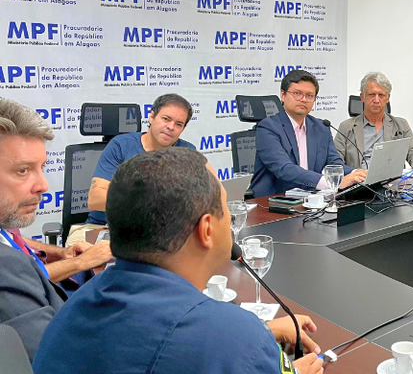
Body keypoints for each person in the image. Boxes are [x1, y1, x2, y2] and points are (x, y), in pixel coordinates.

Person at [34, 148, 323, 374]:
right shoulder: (234, 339)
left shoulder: (74, 306)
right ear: (206, 229)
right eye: (225, 208)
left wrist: (260, 335)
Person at [0, 99, 111, 360]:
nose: (43, 185)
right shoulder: (7, 267)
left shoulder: (5, 225)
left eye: (42, 167)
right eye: (23, 170)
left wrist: (60, 253)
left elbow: (14, 239)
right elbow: (57, 360)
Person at [71, 93, 198, 245]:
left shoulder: (187, 152)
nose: (171, 127)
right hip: (102, 228)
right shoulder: (120, 145)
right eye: (166, 119)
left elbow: (197, 199)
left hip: (159, 231)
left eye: (179, 124)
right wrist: (150, 202)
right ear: (151, 117)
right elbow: (95, 199)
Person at [249, 70, 366, 197]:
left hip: (311, 201)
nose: (304, 99)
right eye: (297, 93)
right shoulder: (268, 127)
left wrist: (357, 174)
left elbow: (334, 164)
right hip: (274, 202)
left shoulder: (321, 127)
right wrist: (332, 182)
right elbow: (284, 169)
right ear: (283, 95)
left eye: (310, 95)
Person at [334, 72, 413, 175]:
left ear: (387, 98)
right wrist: (354, 173)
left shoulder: (401, 125)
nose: (376, 100)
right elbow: (335, 162)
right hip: (359, 184)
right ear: (362, 97)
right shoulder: (346, 128)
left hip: (392, 185)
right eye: (372, 95)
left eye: (381, 95)